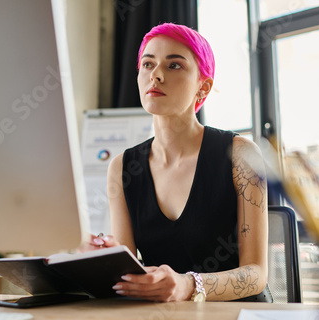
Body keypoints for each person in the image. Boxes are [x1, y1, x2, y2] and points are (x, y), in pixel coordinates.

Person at [88, 23, 270, 302]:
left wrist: (188, 285)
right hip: (164, 319)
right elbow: (127, 275)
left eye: (174, 66)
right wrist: (104, 259)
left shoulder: (240, 154)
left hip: (237, 318)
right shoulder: (123, 167)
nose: (156, 75)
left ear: (203, 86)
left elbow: (256, 274)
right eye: (147, 65)